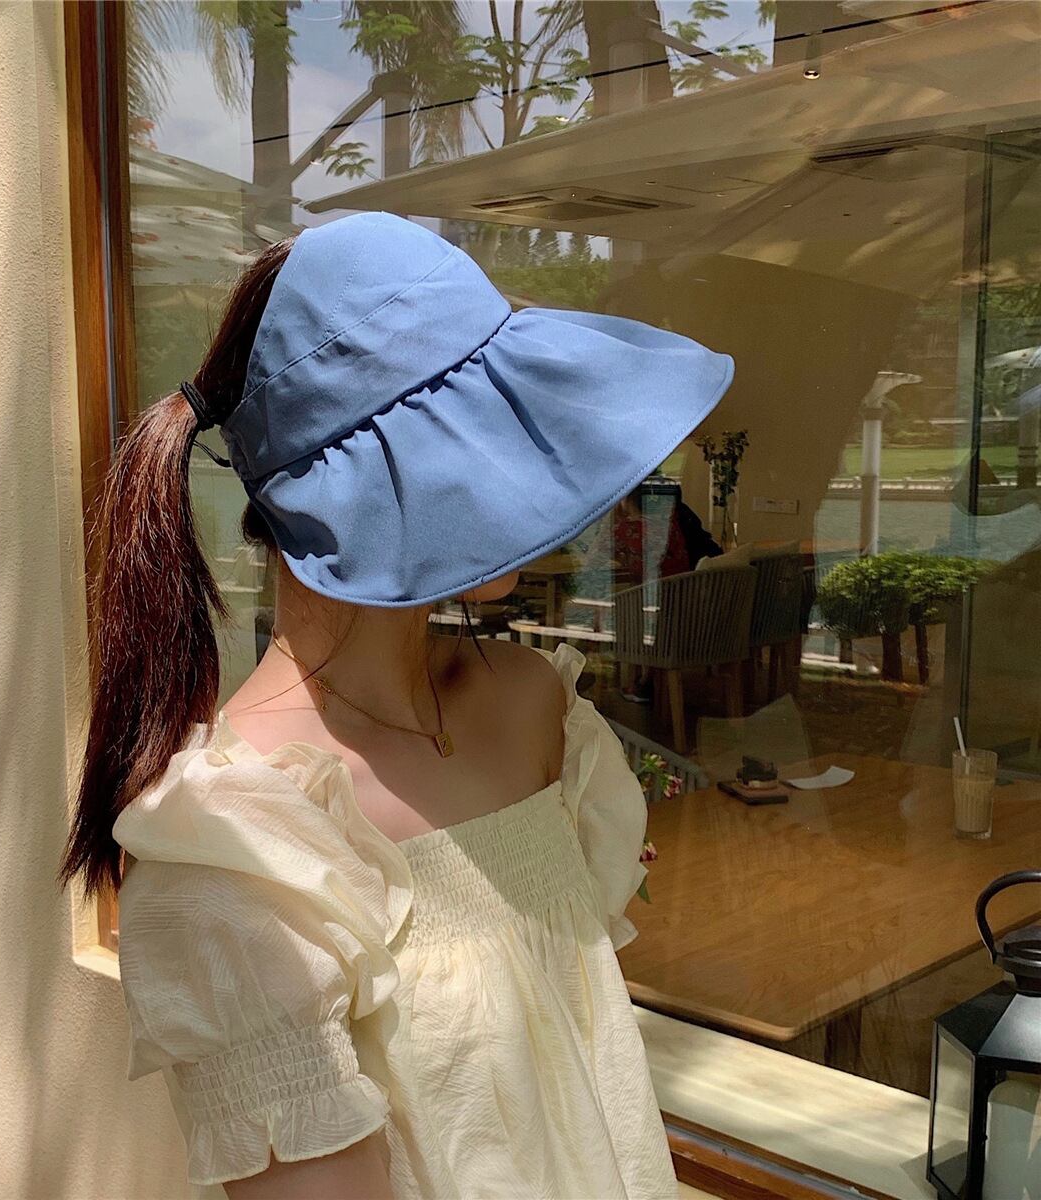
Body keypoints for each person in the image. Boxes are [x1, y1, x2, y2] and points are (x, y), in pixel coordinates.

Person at [59, 212, 733, 1198]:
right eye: (483, 433)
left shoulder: (535, 705)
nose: (523, 467)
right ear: (372, 482)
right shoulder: (245, 855)